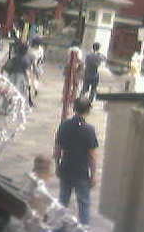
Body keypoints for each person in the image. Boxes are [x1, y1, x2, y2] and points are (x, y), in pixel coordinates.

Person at [54, 97, 99, 227]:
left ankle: (59, 227)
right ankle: (84, 228)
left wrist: (57, 165)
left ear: (74, 109)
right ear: (88, 111)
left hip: (66, 167)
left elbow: (57, 149)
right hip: (81, 171)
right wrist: (94, 175)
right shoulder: (89, 130)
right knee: (84, 203)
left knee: (63, 200)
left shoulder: (64, 125)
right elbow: (92, 155)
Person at [2, 42, 33, 110]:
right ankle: (19, 108)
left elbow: (6, 68)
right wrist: (29, 81)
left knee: (10, 92)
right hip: (21, 78)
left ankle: (6, 107)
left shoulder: (14, 58)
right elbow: (27, 72)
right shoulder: (26, 60)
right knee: (21, 93)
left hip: (12, 76)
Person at [62, 40, 84, 121]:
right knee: (75, 85)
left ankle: (65, 96)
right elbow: (79, 60)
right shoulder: (79, 51)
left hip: (68, 67)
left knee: (67, 83)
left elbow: (66, 60)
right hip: (75, 68)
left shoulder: (69, 50)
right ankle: (72, 98)